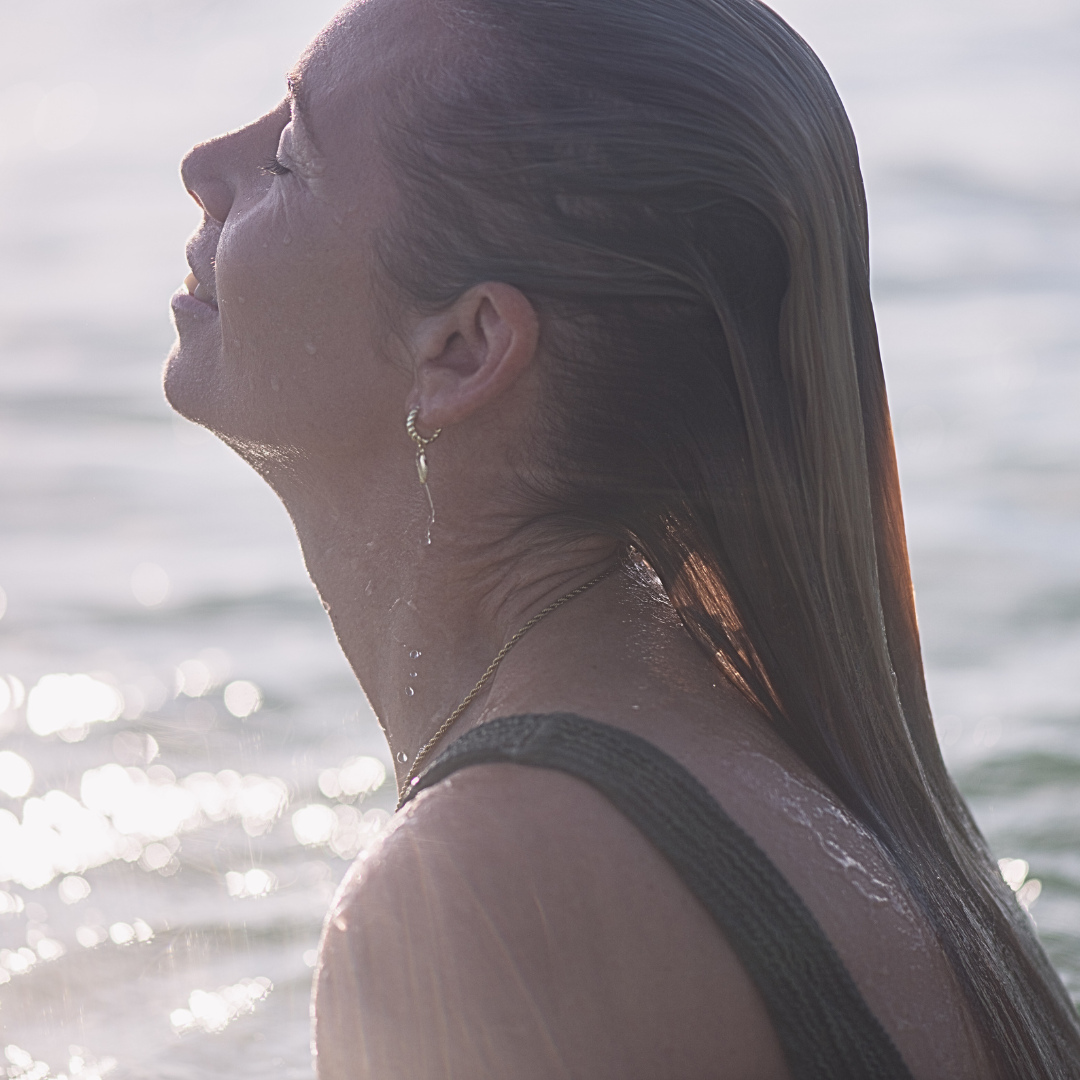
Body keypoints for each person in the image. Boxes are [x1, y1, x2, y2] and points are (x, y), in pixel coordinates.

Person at [166, 0, 1080, 1075]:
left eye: (286, 156)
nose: (200, 163)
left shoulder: (487, 892)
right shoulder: (792, 771)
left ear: (463, 350)